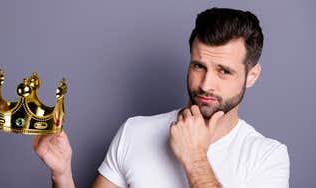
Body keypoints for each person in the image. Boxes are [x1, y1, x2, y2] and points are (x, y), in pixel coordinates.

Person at [33, 7, 290, 188]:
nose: (205, 84)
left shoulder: (267, 157)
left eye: (224, 71)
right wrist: (62, 174)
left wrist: (195, 158)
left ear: (252, 75)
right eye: (199, 66)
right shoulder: (135, 131)